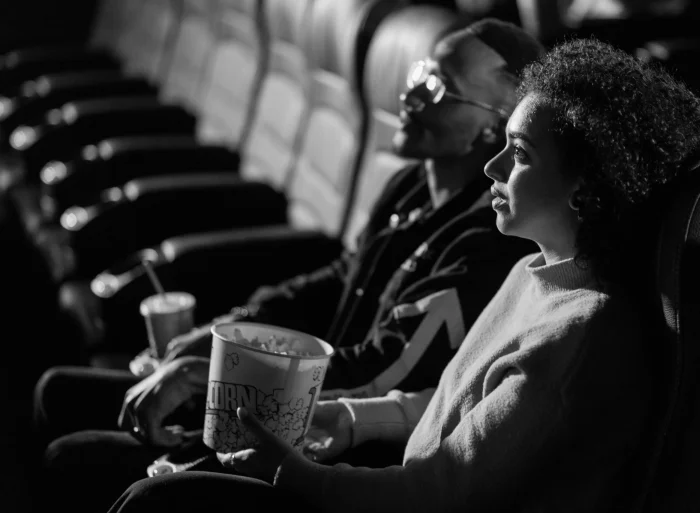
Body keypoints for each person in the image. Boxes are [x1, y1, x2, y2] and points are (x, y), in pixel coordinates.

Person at [107, 38, 700, 513]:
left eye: (520, 153)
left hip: (398, 498)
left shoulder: (581, 334)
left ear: (587, 186)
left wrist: (290, 473)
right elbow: (459, 406)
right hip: (382, 472)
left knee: (152, 501)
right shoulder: (537, 271)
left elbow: (433, 498)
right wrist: (347, 419)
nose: (493, 165)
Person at [31, 19, 544, 513]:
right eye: (419, 75)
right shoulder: (409, 184)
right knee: (58, 391)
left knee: (78, 462)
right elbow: (338, 279)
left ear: (490, 130)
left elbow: (379, 370)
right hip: (284, 401)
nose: (409, 97)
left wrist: (227, 374)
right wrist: (227, 332)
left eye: (437, 88)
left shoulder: (487, 243)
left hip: (327, 444)